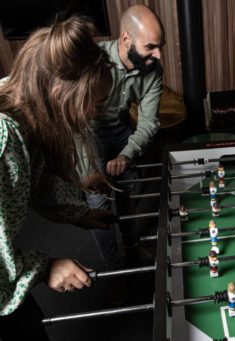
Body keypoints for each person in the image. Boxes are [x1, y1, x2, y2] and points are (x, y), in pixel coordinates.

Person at [0, 17, 113, 341]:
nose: (94, 112)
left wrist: (79, 213)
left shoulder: (24, 101)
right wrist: (44, 267)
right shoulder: (4, 137)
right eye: (95, 101)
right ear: (60, 91)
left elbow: (37, 182)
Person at [84, 4, 165, 295]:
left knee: (129, 190)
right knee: (99, 204)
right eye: (151, 47)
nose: (158, 55)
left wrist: (126, 154)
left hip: (120, 130)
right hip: (86, 132)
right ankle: (114, 267)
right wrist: (88, 168)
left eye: (160, 46)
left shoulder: (153, 69)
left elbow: (148, 122)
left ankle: (132, 245)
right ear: (126, 40)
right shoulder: (92, 62)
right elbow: (73, 122)